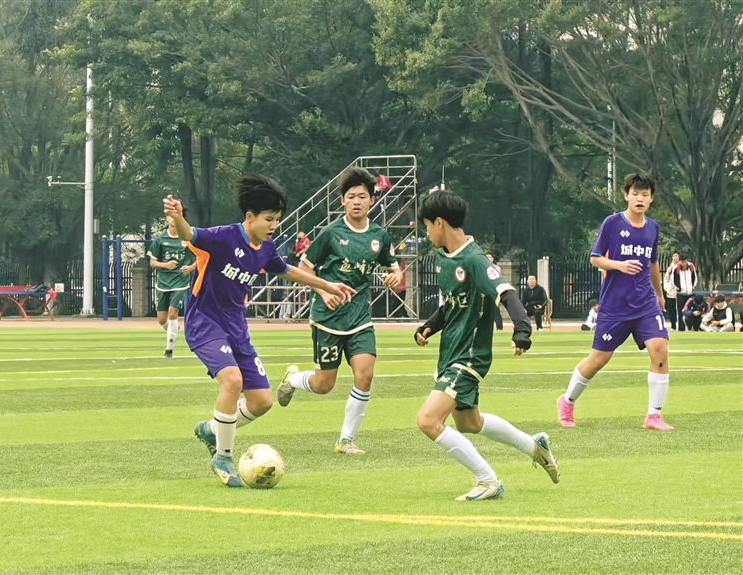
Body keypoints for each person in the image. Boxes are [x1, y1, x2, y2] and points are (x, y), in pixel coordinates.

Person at [162, 174, 355, 488]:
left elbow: (287, 270)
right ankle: (223, 456)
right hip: (205, 322)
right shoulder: (222, 238)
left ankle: (212, 429)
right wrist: (178, 217)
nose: (274, 225)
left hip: (236, 325)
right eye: (269, 219)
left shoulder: (265, 247)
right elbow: (190, 235)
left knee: (262, 401)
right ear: (249, 217)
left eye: (277, 219)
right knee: (232, 381)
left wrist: (324, 286)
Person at [412, 190, 558, 501]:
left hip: (468, 357)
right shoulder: (443, 257)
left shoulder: (475, 259)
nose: (427, 233)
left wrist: (522, 328)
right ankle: (535, 446)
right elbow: (451, 306)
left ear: (439, 223)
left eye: (427, 226)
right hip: (451, 352)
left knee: (427, 420)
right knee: (469, 423)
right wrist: (429, 326)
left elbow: (506, 293)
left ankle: (487, 480)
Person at [277, 167, 404, 455]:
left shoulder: (379, 236)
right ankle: (293, 379)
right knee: (324, 385)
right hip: (327, 317)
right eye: (351, 197)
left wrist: (394, 276)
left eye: (362, 196)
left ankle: (345, 440)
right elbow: (304, 269)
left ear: (371, 200)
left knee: (365, 375)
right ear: (342, 202)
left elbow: (392, 266)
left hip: (359, 316)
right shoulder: (330, 233)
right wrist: (323, 290)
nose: (357, 201)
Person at [557, 172, 674, 431]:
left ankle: (653, 416)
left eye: (645, 194)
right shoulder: (612, 223)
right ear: (626, 195)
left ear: (651, 198)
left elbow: (653, 263)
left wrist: (659, 293)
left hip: (645, 303)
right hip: (615, 305)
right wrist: (619, 265)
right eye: (635, 193)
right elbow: (595, 258)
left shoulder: (653, 227)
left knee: (660, 350)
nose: (639, 198)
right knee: (598, 359)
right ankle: (567, 402)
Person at [147, 211, 197, 358]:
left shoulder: (188, 238)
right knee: (162, 319)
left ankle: (169, 350)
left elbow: (200, 257)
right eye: (170, 216)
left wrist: (190, 268)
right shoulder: (160, 239)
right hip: (163, 283)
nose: (173, 219)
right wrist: (165, 265)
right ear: (167, 219)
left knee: (172, 313)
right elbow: (152, 262)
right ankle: (173, 330)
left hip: (180, 282)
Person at [673, 254, 697, 332]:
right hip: (681, 294)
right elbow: (674, 280)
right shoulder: (676, 268)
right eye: (682, 262)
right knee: (680, 312)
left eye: (685, 262)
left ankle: (692, 327)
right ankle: (681, 329)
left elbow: (695, 277)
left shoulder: (691, 267)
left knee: (692, 310)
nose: (684, 264)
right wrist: (678, 288)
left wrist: (693, 286)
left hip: (690, 293)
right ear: (680, 262)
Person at [662, 252, 679, 330]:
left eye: (676, 256)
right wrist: (667, 288)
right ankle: (673, 326)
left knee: (679, 309)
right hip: (670, 292)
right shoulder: (670, 267)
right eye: (673, 256)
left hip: (680, 292)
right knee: (671, 309)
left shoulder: (682, 266)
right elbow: (666, 279)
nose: (675, 257)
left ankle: (680, 325)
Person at [486, 254, 503, 330]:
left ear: (492, 259)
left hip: (494, 291)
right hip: (485, 290)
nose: (488, 259)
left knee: (496, 310)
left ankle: (499, 327)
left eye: (490, 257)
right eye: (487, 257)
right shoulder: (482, 267)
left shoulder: (497, 268)